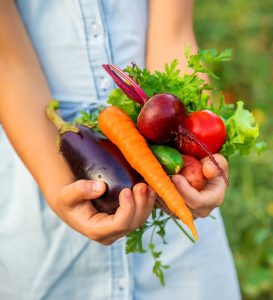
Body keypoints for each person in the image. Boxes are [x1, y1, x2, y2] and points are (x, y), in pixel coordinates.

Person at [0, 0, 241, 299]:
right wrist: (58, 188)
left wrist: (196, 152)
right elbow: (7, 63)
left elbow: (173, 36)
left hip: (164, 168)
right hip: (40, 155)